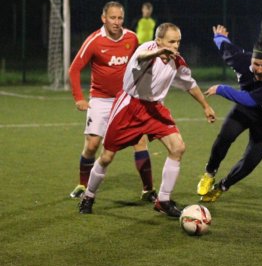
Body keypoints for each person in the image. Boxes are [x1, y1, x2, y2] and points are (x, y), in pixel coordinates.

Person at [79, 22, 216, 217]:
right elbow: (140, 57)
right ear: (158, 40)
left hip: (154, 109)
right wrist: (158, 52)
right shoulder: (146, 49)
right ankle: (89, 196)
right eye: (171, 42)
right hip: (129, 107)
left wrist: (205, 106)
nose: (175, 46)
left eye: (178, 42)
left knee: (177, 147)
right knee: (107, 156)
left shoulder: (177, 61)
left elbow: (189, 84)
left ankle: (163, 200)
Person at [69, 1, 157, 203]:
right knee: (92, 145)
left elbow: (141, 64)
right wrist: (79, 98)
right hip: (100, 100)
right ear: (104, 18)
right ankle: (83, 185)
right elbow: (74, 69)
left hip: (126, 99)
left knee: (140, 141)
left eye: (120, 18)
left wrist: (145, 91)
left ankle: (148, 190)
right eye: (112, 18)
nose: (117, 22)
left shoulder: (131, 38)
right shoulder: (94, 41)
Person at [197, 24, 262, 202]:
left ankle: (223, 186)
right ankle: (209, 173)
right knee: (225, 136)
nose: (260, 69)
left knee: (249, 162)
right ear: (251, 60)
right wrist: (219, 37)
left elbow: (252, 100)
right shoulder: (240, 60)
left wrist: (221, 89)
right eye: (256, 64)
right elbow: (225, 47)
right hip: (246, 110)